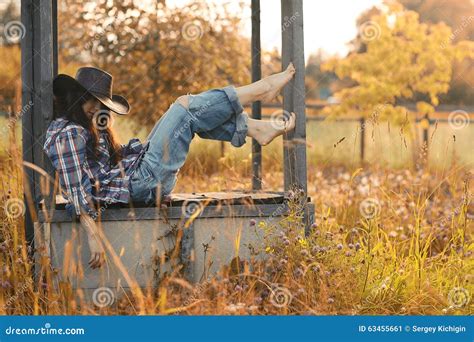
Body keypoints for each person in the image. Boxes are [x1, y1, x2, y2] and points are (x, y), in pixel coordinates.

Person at [44, 65, 296, 268]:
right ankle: (261, 90)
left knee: (188, 113)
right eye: (92, 101)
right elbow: (76, 190)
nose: (96, 109)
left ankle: (256, 128)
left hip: (143, 180)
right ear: (75, 98)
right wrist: (93, 235)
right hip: (143, 181)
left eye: (102, 105)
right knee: (184, 107)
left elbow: (112, 165)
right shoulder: (67, 134)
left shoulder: (84, 129)